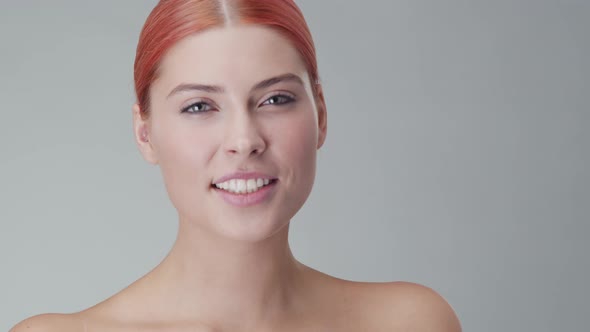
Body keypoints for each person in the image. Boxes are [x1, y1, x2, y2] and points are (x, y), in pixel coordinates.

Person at [11, 0, 461, 331]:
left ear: (321, 115)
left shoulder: (412, 322)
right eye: (199, 106)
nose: (244, 140)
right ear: (145, 132)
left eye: (275, 99)